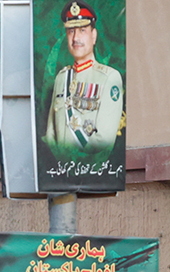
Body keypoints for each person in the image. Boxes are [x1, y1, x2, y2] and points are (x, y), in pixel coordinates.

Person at [42, 0, 124, 155]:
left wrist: (75, 162)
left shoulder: (110, 78)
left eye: (82, 31)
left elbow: (104, 139)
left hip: (92, 168)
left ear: (93, 36)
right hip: (60, 172)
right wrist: (61, 162)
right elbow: (50, 135)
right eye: (71, 32)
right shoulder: (61, 78)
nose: (75, 38)